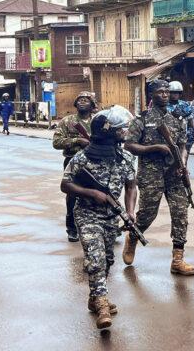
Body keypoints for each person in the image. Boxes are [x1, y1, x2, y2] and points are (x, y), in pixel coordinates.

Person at [60, 105, 137, 330]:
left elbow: (131, 186)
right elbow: (65, 184)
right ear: (108, 132)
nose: (124, 133)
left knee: (107, 260)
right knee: (95, 259)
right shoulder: (82, 157)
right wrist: (90, 193)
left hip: (111, 216)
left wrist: (130, 212)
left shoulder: (125, 157)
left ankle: (94, 297)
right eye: (121, 130)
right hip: (86, 214)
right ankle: (102, 305)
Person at [122, 80, 194, 275]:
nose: (164, 95)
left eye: (166, 91)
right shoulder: (142, 119)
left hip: (174, 174)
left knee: (181, 214)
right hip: (151, 174)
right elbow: (129, 145)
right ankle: (133, 238)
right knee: (147, 214)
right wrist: (154, 148)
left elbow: (182, 145)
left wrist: (183, 164)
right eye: (160, 92)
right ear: (151, 95)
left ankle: (177, 259)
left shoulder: (176, 119)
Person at [53, 91, 98, 242]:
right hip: (73, 161)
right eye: (80, 100)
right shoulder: (67, 121)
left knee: (99, 193)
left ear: (92, 104)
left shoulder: (98, 121)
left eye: (86, 100)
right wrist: (77, 141)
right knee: (72, 195)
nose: (82, 102)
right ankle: (72, 228)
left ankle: (101, 225)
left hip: (95, 161)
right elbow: (56, 143)